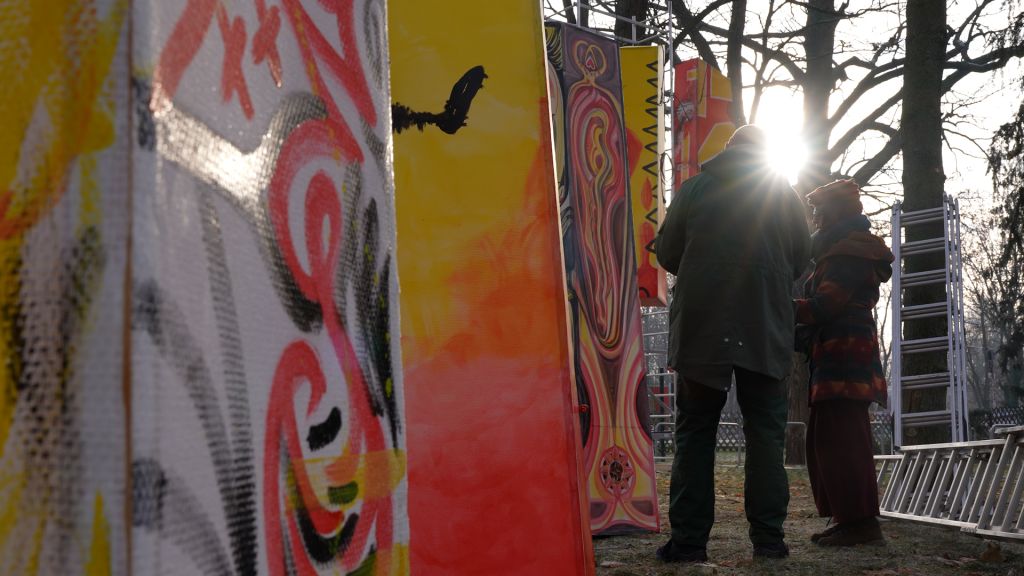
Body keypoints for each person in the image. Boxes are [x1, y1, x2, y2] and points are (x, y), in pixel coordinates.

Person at [654, 125, 810, 563]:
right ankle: (769, 540)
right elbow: (801, 257)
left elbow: (667, 251)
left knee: (695, 431)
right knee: (766, 434)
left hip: (703, 324)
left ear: (728, 150)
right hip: (765, 325)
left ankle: (688, 543)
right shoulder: (784, 196)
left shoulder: (694, 189)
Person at [794, 179, 893, 546]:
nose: (816, 218)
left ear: (836, 212)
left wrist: (780, 308)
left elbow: (825, 305)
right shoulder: (840, 251)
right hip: (835, 356)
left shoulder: (849, 254)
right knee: (830, 439)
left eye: (820, 211)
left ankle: (860, 524)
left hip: (846, 358)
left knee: (844, 442)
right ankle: (848, 518)